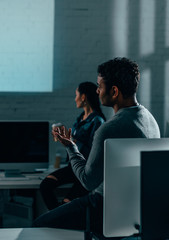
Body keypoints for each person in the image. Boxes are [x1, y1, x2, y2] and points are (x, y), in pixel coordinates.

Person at [33, 57, 160, 233]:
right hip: (134, 209)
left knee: (39, 226)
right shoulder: (150, 119)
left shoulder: (109, 128)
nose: (97, 90)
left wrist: (70, 147)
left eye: (100, 86)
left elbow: (88, 181)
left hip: (103, 205)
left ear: (114, 91)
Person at [40, 82, 106, 210]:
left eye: (76, 95)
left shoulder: (97, 121)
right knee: (45, 186)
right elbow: (73, 141)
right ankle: (57, 218)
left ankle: (58, 219)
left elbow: (94, 151)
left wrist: (72, 142)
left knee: (66, 203)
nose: (74, 99)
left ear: (83, 97)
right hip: (72, 167)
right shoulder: (80, 118)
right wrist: (64, 137)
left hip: (86, 171)